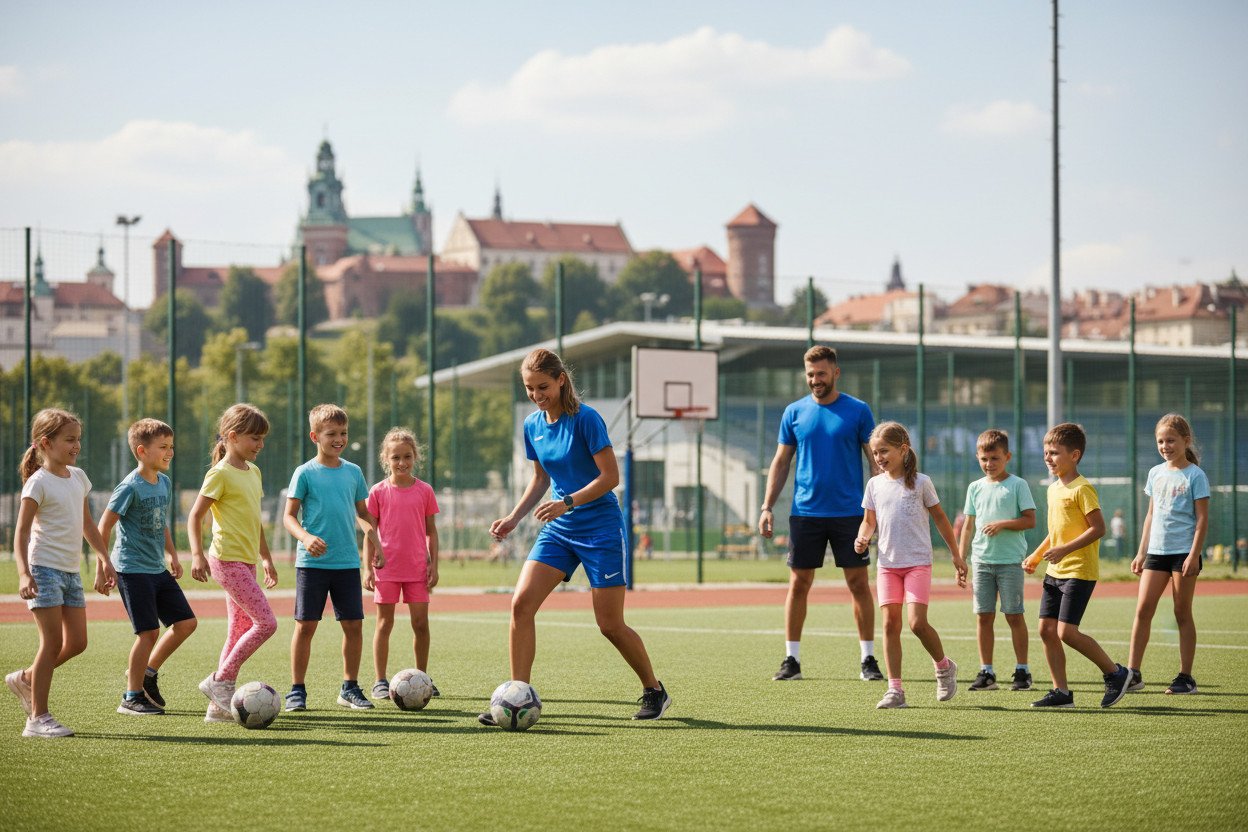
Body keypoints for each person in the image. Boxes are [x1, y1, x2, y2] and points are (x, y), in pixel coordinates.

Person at [482, 348, 670, 723]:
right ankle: (518, 695)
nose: (537, 395)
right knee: (521, 605)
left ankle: (654, 690)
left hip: (600, 527)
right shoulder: (532, 425)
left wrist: (567, 502)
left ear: (561, 380)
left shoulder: (587, 419)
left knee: (609, 624)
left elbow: (610, 478)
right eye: (530, 388)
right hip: (560, 530)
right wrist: (514, 517)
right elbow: (540, 479)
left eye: (543, 387)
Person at [759, 345, 881, 682]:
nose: (816, 380)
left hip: (849, 514)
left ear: (836, 373)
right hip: (805, 513)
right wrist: (767, 506)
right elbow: (781, 462)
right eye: (811, 374)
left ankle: (868, 659)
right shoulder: (794, 412)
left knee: (858, 583)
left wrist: (878, 507)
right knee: (799, 583)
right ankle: (791, 660)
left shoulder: (858, 411)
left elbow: (874, 461)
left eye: (822, 374)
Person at [6, 408, 114, 738]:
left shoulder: (78, 477)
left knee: (78, 642)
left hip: (69, 573)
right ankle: (37, 719)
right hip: (44, 570)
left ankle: (25, 678)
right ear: (45, 443)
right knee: (51, 643)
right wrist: (25, 574)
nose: (76, 445)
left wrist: (104, 558)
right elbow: (21, 533)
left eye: (78, 439)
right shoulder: (37, 482)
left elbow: (86, 525)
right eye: (69, 439)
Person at [854, 422, 966, 709]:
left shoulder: (921, 483)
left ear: (903, 450)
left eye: (884, 451)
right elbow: (869, 521)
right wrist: (862, 537)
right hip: (887, 565)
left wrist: (956, 554)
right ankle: (896, 690)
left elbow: (940, 518)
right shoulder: (874, 484)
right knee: (890, 623)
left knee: (916, 623)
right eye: (875, 452)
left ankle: (944, 667)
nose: (878, 458)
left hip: (917, 563)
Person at [1023, 422, 1132, 709]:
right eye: (1046, 452)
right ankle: (1061, 693)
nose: (1048, 457)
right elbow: (1056, 532)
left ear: (1075, 455)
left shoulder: (1083, 489)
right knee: (1046, 630)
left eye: (1055, 452)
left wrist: (1065, 550)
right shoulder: (1052, 489)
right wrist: (1037, 555)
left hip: (1078, 571)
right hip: (1054, 571)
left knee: (1066, 632)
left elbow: (1098, 528)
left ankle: (1116, 673)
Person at [283, 404, 383, 712]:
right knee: (305, 626)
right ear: (315, 436)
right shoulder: (305, 473)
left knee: (353, 626)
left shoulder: (353, 472)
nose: (338, 439)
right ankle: (297, 690)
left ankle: (349, 687)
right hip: (312, 565)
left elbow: (363, 513)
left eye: (343, 433)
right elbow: (289, 517)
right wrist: (306, 537)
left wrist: (374, 539)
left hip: (347, 564)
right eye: (331, 434)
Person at [98, 418, 198, 716]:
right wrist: (103, 566)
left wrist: (173, 555)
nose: (170, 452)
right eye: (163, 447)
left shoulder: (164, 482)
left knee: (186, 624)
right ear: (142, 451)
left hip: (157, 569)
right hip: (131, 569)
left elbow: (160, 522)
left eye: (172, 447)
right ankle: (131, 696)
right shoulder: (130, 487)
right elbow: (103, 527)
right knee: (148, 632)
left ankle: (148, 673)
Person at [188, 403, 279, 723]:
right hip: (226, 561)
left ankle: (217, 708)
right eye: (254, 438)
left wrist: (266, 557)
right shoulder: (220, 474)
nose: (260, 445)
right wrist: (197, 554)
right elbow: (195, 515)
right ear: (231, 437)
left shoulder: (253, 472)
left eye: (262, 439)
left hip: (247, 562)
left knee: (238, 628)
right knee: (267, 623)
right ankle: (220, 681)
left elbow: (254, 522)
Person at [1126, 413, 1209, 695]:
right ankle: (1132, 674)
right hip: (1156, 553)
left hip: (1183, 553)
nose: (1165, 445)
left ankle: (1186, 677)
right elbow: (1151, 515)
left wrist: (1193, 555)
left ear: (1186, 441)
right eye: (1161, 441)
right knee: (1142, 609)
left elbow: (1201, 520)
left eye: (1171, 440)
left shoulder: (1196, 475)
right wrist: (1141, 552)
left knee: (1181, 612)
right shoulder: (1155, 473)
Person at [364, 427, 440, 701]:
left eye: (407, 456)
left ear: (415, 457)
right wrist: (366, 568)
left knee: (421, 623)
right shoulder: (378, 492)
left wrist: (435, 565)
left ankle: (423, 677)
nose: (402, 462)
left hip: (417, 569)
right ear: (386, 459)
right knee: (384, 624)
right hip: (386, 569)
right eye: (396, 457)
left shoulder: (425, 491)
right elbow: (369, 534)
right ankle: (379, 681)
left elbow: (432, 531)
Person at [958, 429, 1036, 692]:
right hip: (981, 562)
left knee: (1014, 616)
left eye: (994, 458)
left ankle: (1022, 670)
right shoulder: (975, 488)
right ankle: (986, 672)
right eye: (983, 459)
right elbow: (968, 526)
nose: (989, 464)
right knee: (983, 616)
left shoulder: (1018, 485)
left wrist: (1003, 524)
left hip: (1010, 562)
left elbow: (1030, 520)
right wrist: (961, 558)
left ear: (1007, 456)